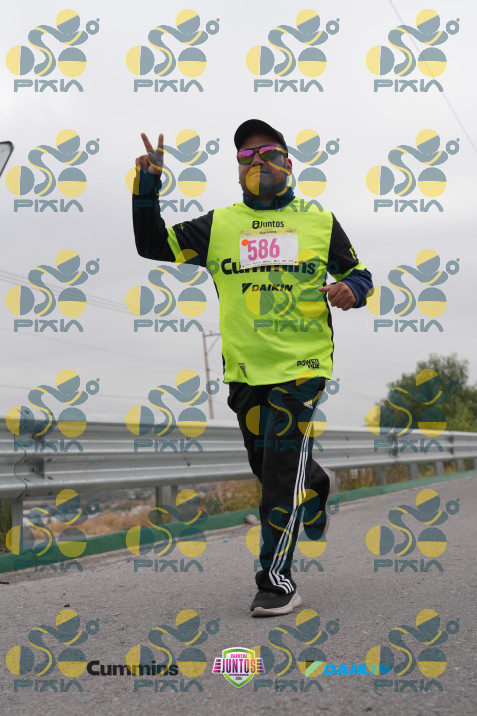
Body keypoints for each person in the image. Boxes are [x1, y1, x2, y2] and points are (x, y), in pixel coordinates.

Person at [132, 119, 373, 617]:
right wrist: (147, 188)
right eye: (246, 156)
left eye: (268, 152)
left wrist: (353, 289)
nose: (257, 161)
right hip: (244, 369)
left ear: (289, 162)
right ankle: (315, 483)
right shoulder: (219, 225)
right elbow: (152, 244)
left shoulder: (319, 220)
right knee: (267, 466)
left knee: (280, 469)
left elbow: (358, 272)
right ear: (237, 170)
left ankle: (276, 579)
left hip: (302, 364)